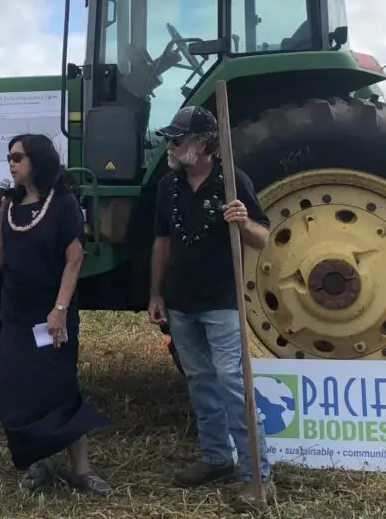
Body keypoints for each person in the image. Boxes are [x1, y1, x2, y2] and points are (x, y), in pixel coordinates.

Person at [146, 106, 272, 512]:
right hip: (181, 302)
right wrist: (156, 293)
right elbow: (161, 243)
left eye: (178, 139)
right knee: (200, 381)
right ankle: (217, 458)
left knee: (233, 383)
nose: (171, 145)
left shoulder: (234, 181)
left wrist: (243, 221)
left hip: (221, 302)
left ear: (202, 144)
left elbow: (262, 237)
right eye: (170, 138)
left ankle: (257, 477)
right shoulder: (168, 186)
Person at [0, 133, 111, 495]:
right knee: (18, 391)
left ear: (36, 161)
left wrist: (59, 310)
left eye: (17, 157)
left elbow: (74, 260)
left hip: (52, 313)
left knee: (59, 388)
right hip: (16, 315)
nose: (11, 163)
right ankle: (35, 463)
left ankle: (81, 470)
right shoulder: (10, 204)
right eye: (8, 157)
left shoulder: (63, 204)